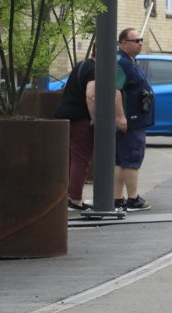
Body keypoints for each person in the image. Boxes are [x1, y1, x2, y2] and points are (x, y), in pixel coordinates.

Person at [54, 38, 126, 211]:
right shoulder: (94, 70)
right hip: (81, 118)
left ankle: (67, 196)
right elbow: (91, 95)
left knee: (70, 158)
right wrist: (94, 117)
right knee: (81, 159)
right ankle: (75, 199)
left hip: (64, 115)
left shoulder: (82, 65)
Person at [114, 28, 154, 210]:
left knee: (120, 160)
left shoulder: (129, 61)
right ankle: (133, 199)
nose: (140, 43)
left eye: (141, 40)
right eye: (136, 40)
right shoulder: (121, 63)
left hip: (134, 119)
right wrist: (121, 116)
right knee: (131, 158)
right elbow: (115, 91)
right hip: (131, 120)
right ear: (123, 43)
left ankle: (116, 198)